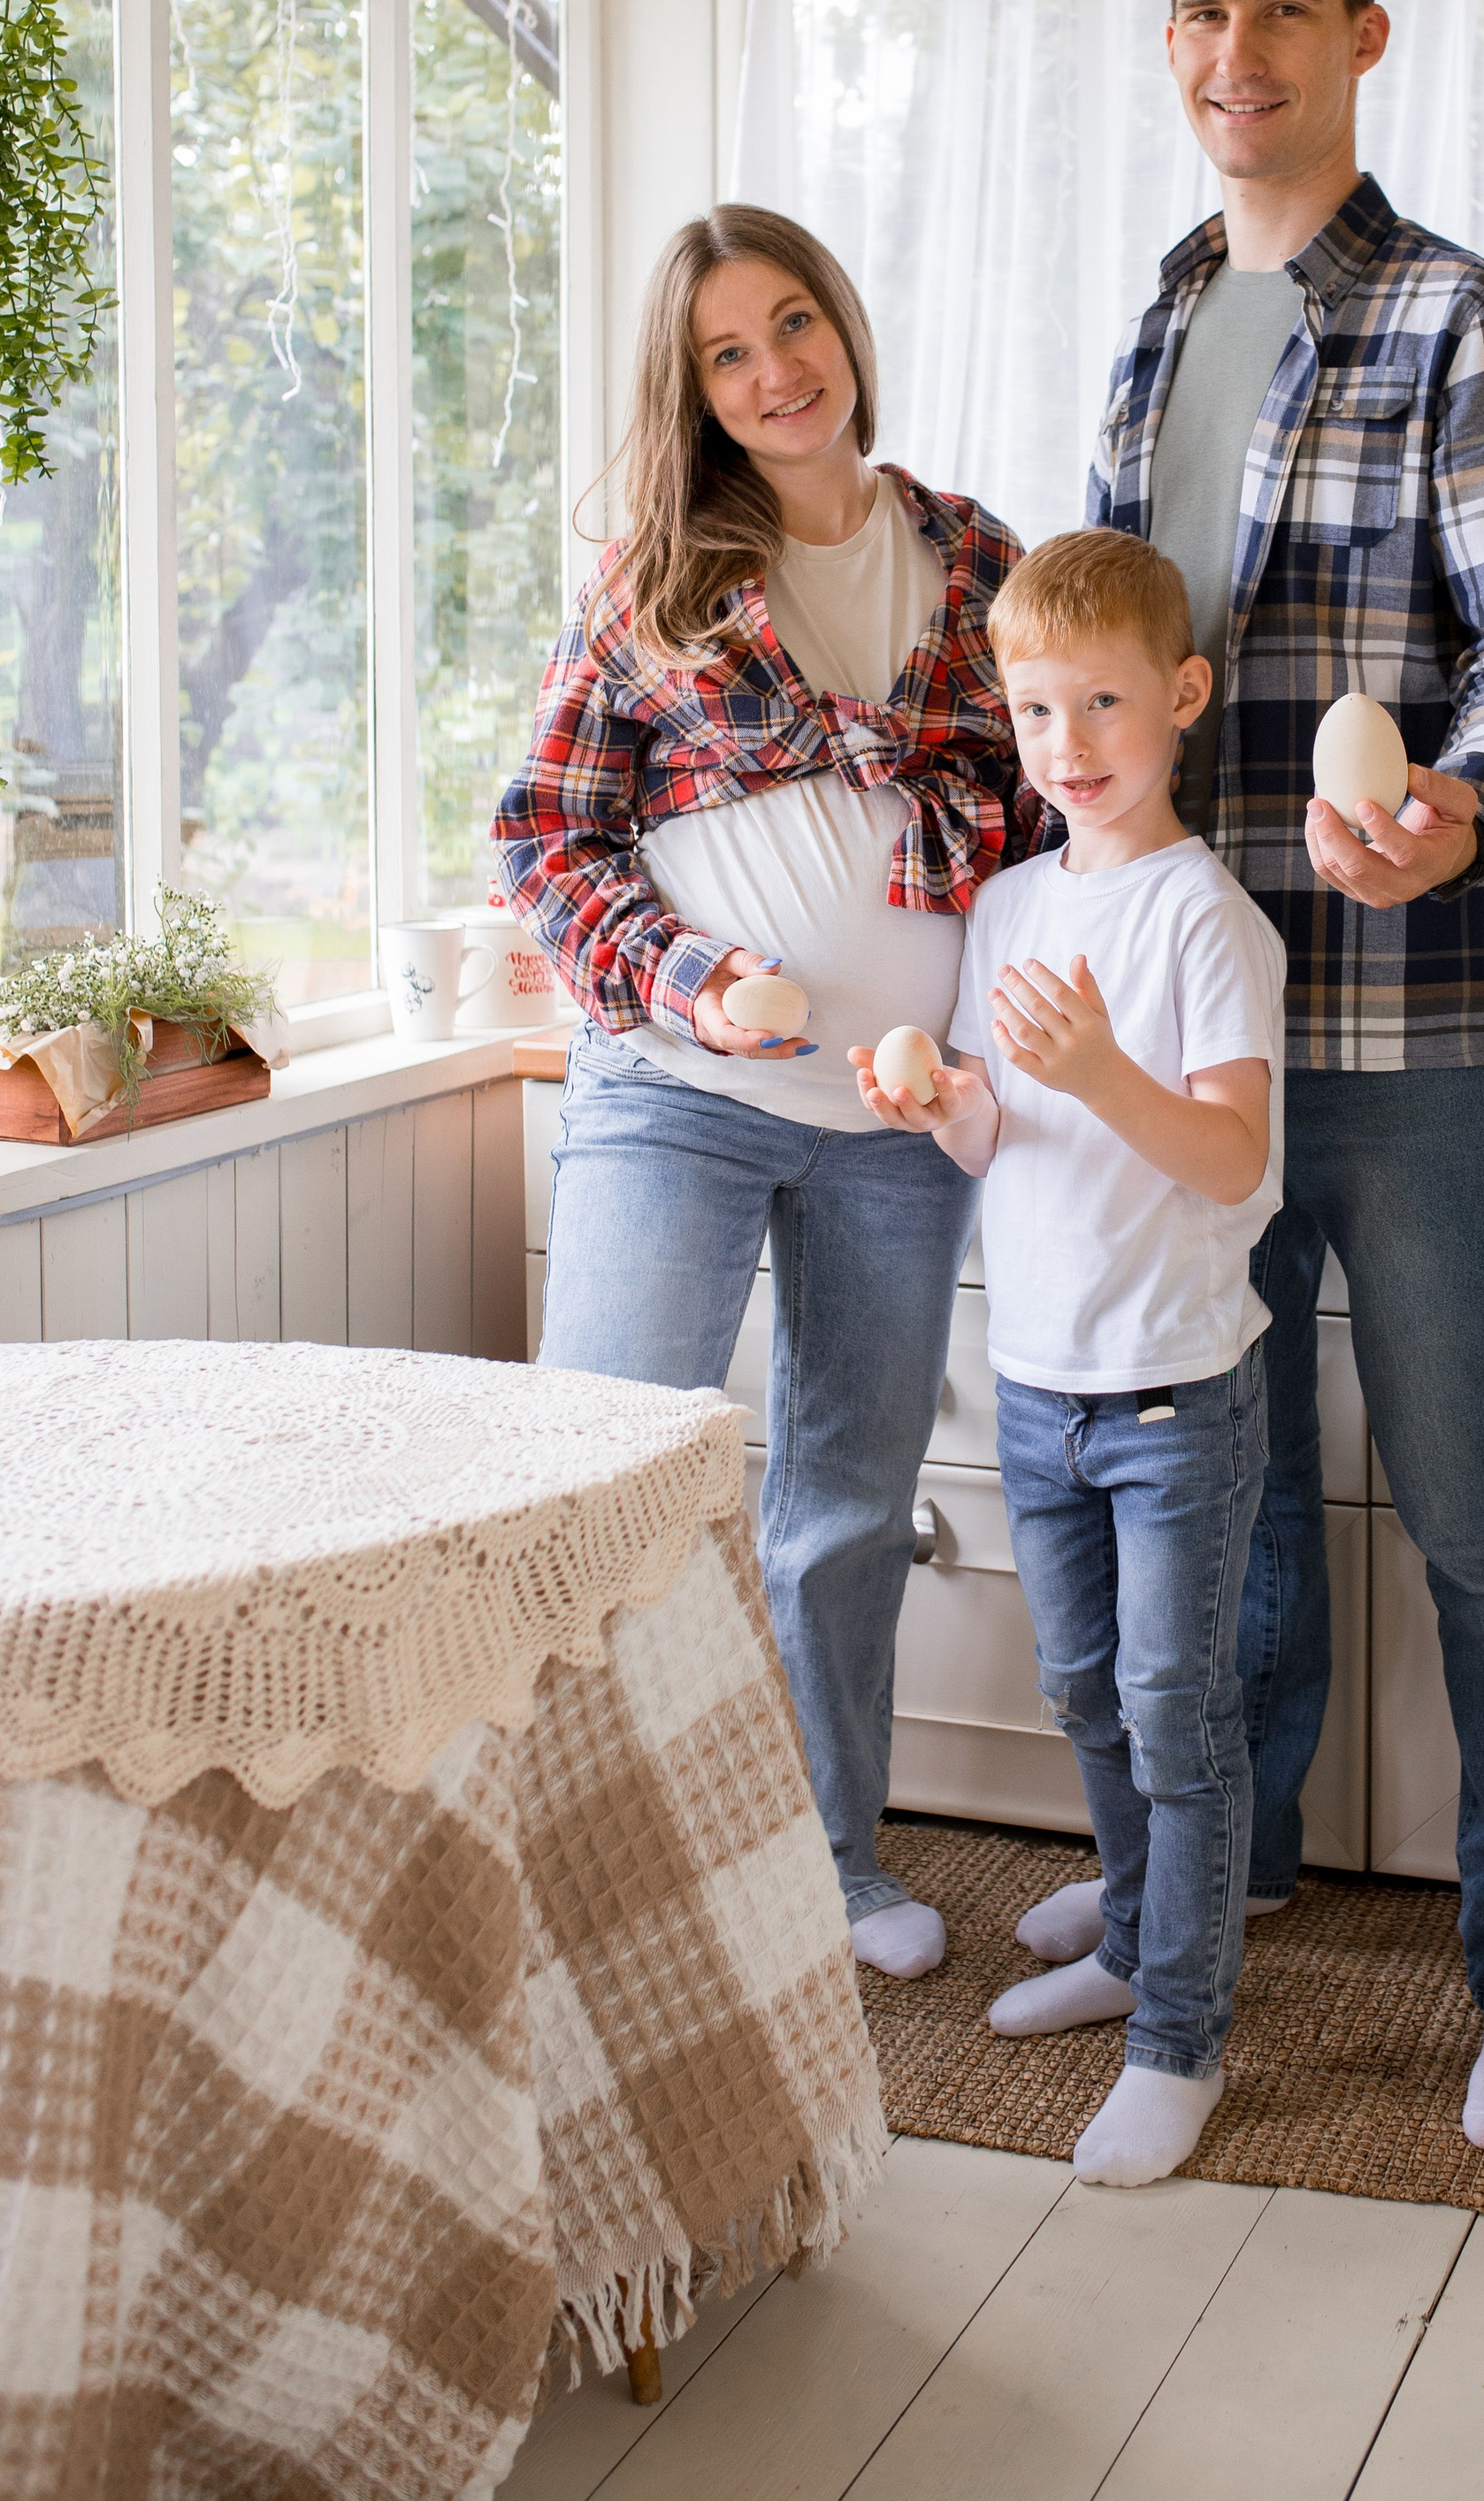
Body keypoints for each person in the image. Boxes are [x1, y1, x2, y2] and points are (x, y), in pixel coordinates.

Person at [1084, 0, 1484, 2158]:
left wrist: (1461, 810)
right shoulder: (1161, 329)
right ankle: (1225, 1880)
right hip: (1196, 1034)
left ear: (1362, 39)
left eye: (1282, 12)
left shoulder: (1468, 318)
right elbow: (1119, 676)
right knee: (1235, 1497)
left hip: (1400, 1031)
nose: (1237, 57)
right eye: (1201, 16)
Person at [494, 206, 1036, 1983]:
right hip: (676, 1093)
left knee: (848, 1506)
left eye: (792, 323)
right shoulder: (660, 576)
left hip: (894, 1122)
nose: (775, 369)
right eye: (728, 352)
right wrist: (693, 977)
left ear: (842, 325)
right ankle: (550, 1876)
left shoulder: (966, 556)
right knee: (598, 1476)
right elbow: (546, 839)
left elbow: (1047, 817)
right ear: (697, 389)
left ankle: (831, 1864)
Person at [853, 531, 1287, 2188]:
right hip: (1040, 1385)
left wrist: (1102, 1067)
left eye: (1105, 703)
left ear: (1178, 699)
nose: (1072, 745)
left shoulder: (1202, 920)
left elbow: (1233, 1161)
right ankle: (1129, 1939)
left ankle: (1183, 2029)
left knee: (1180, 1715)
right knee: (1091, 1693)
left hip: (1176, 1392)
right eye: (1039, 712)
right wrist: (936, 1095)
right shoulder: (1015, 902)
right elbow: (992, 1139)